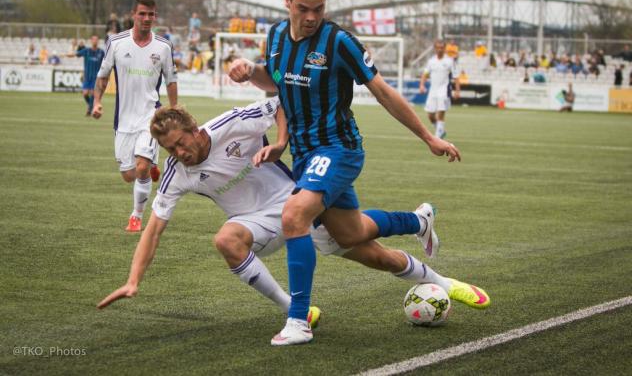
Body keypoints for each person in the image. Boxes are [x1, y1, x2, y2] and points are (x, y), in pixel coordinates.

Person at [96, 102, 490, 328]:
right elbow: (154, 230)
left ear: (195, 129)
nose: (179, 153)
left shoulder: (233, 123)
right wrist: (133, 281)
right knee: (225, 240)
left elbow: (280, 105)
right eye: (171, 149)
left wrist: (280, 142)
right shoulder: (176, 174)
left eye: (182, 143)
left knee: (374, 252)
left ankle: (441, 273)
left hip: (297, 202)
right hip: (256, 223)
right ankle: (296, 312)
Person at [228, 0, 461, 346]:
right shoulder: (274, 37)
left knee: (294, 215)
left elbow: (383, 92)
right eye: (303, 8)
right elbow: (276, 82)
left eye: (318, 9)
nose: (311, 17)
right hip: (305, 155)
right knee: (350, 234)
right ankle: (418, 221)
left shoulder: (339, 42)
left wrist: (428, 136)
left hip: (339, 148)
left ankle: (298, 320)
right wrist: (249, 72)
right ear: (287, 0)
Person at [92, 0, 178, 233]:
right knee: (129, 175)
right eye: (142, 13)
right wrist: (97, 102)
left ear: (155, 16)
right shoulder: (116, 42)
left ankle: (136, 217)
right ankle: (150, 166)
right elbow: (102, 75)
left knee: (140, 169)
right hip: (124, 120)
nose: (147, 18)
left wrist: (173, 111)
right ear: (133, 14)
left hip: (151, 116)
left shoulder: (163, 46)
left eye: (151, 14)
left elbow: (171, 81)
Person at [419, 40, 461, 139]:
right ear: (435, 48)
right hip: (433, 90)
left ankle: (437, 137)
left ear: (445, 48)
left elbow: (456, 76)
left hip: (444, 90)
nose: (439, 50)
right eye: (437, 48)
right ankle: (440, 130)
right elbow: (425, 74)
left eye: (441, 48)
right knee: (430, 115)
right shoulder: (431, 61)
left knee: (441, 112)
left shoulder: (450, 61)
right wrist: (421, 85)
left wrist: (457, 91)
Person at [66, 35, 105, 116]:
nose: (95, 41)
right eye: (93, 40)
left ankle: (90, 109)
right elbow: (76, 54)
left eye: (96, 40)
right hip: (87, 76)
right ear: (91, 41)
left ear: (98, 41)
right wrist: (69, 55)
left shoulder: (101, 52)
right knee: (85, 93)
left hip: (96, 77)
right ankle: (91, 105)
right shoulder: (86, 50)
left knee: (93, 93)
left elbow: (106, 62)